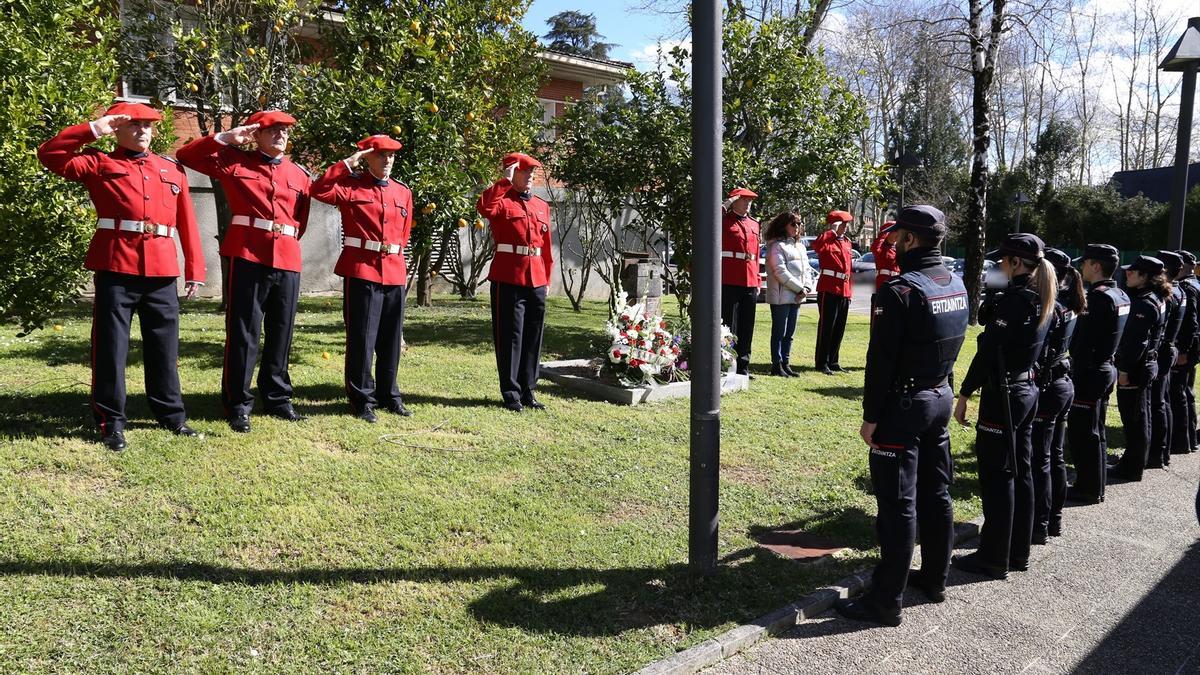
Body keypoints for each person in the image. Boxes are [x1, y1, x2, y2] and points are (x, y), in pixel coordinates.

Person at [37, 102, 206, 452]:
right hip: (117, 266)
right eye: (134, 125)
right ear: (118, 129)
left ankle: (171, 415)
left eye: (148, 125)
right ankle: (111, 421)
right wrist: (94, 128)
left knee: (165, 347)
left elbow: (187, 223)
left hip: (161, 269)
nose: (143, 131)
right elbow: (50, 154)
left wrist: (195, 269)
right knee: (111, 348)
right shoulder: (99, 163)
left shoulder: (171, 169)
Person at [834, 205, 968, 627]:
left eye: (896, 237)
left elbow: (881, 361)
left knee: (897, 505)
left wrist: (871, 416)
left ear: (909, 239)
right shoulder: (956, 283)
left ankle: (885, 600)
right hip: (939, 396)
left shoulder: (900, 291)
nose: (892, 243)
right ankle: (935, 579)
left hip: (904, 406)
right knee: (936, 493)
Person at [176, 110, 312, 433]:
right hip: (248, 254)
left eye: (285, 130)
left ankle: (277, 397)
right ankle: (238, 403)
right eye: (272, 130)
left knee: (282, 331)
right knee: (243, 332)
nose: (280, 135)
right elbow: (186, 155)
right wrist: (225, 138)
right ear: (256, 134)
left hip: (287, 257)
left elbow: (301, 220)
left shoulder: (300, 174)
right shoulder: (235, 161)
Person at [952, 233, 1056, 580]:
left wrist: (964, 393)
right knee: (1021, 473)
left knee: (998, 478)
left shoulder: (1016, 302)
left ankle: (993, 557)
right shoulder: (1040, 296)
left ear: (1015, 262)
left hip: (1005, 395)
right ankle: (1017, 551)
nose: (997, 266)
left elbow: (987, 352)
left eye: (1002, 260)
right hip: (1026, 389)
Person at [311, 135, 414, 423]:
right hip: (362, 269)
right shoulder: (351, 185)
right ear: (367, 157)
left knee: (391, 339)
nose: (387, 160)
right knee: (362, 338)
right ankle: (362, 399)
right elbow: (319, 190)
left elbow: (403, 233)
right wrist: (346, 164)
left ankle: (389, 395)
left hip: (394, 269)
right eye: (380, 154)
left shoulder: (402, 191)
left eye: (391, 155)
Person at [476, 152, 553, 412]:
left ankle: (528, 390)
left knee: (533, 336)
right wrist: (504, 181)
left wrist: (547, 278)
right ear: (512, 172)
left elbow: (546, 247)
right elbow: (484, 208)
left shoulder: (541, 205)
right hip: (508, 276)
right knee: (511, 336)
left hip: (537, 277)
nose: (530, 176)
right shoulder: (501, 200)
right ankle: (511, 393)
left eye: (532, 172)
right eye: (524, 171)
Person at [1065, 245, 1129, 504]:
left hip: (1090, 371)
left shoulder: (1099, 298)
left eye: (1086, 263)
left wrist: (1075, 365)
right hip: (1105, 368)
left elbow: (1084, 341)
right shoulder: (1119, 294)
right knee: (1096, 430)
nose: (1082, 267)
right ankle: (1095, 484)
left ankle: (1087, 488)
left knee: (1084, 433)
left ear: (1096, 266)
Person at [1030, 248, 1084, 543]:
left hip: (1050, 387)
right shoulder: (1069, 301)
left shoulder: (1052, 306)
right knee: (1054, 455)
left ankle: (1039, 524)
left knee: (1041, 458)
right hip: (1063, 383)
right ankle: (1053, 520)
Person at [1109, 256, 1169, 482]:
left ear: (1145, 277)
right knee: (1141, 415)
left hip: (1137, 367)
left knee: (1135, 419)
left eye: (1133, 272)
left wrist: (1125, 370)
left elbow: (1137, 342)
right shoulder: (1156, 297)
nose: (1127, 274)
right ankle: (1135, 461)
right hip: (1147, 364)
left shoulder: (1144, 302)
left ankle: (1132, 467)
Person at [763, 211, 813, 377]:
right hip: (781, 296)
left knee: (790, 333)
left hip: (797, 296)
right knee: (779, 332)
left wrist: (806, 288)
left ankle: (785, 363)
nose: (797, 227)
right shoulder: (776, 246)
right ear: (783, 225)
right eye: (793, 224)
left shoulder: (800, 246)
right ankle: (776, 365)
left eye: (799, 224)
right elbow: (780, 271)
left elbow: (807, 270)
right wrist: (800, 289)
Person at [1148, 251, 1184, 469]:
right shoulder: (1178, 291)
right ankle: (1162, 451)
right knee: (1162, 401)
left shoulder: (1168, 293)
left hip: (1162, 351)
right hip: (1169, 349)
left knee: (1157, 403)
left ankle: (1157, 453)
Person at [720, 188, 761, 377]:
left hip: (750, 280)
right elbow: (710, 220)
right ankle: (727, 363)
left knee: (747, 326)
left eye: (749, 201)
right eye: (743, 200)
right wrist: (726, 204)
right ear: (734, 201)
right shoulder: (723, 220)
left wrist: (757, 280)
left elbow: (756, 255)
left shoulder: (754, 224)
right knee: (729, 325)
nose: (747, 203)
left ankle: (743, 366)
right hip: (729, 278)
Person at [813, 210, 854, 374]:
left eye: (846, 223)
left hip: (844, 288)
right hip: (828, 288)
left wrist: (849, 292)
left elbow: (848, 269)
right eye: (842, 223)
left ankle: (833, 360)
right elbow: (817, 247)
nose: (845, 226)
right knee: (827, 327)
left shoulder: (847, 242)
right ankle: (821, 362)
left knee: (839, 328)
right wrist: (831, 231)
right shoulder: (826, 239)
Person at [1172, 249, 1200, 455]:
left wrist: (1183, 349)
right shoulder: (1196, 284)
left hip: (1187, 346)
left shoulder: (1186, 288)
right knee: (1186, 390)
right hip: (1194, 345)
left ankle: (1181, 440)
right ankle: (1189, 437)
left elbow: (1190, 322)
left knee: (1179, 392)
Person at [871, 220, 901, 293]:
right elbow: (875, 248)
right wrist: (884, 233)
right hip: (884, 282)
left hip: (897, 281)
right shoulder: (881, 248)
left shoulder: (898, 248)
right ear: (888, 233)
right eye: (895, 231)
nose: (898, 234)